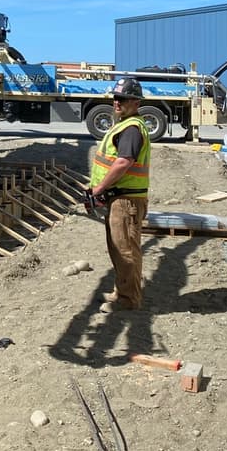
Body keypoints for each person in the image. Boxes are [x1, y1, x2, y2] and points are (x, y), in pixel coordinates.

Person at [88, 77, 150, 313]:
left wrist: (99, 188)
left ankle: (128, 299)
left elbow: (124, 162)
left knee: (125, 249)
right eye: (115, 98)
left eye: (122, 98)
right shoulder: (125, 125)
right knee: (118, 247)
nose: (117, 102)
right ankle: (121, 291)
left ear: (135, 102)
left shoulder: (132, 128)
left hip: (127, 200)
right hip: (121, 197)